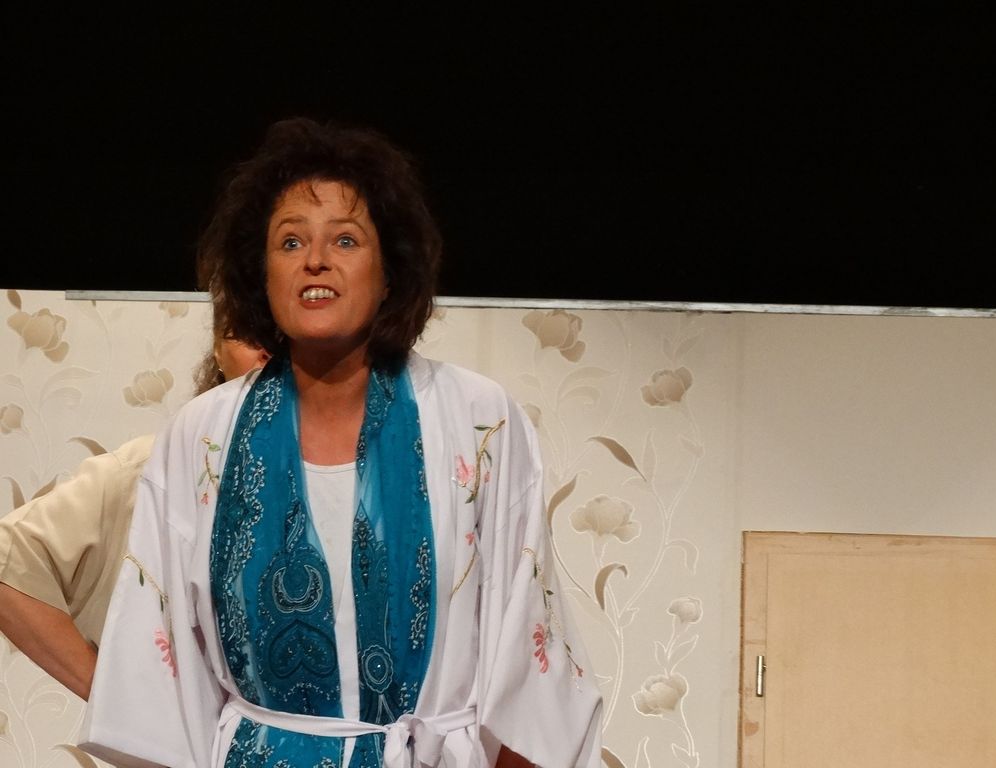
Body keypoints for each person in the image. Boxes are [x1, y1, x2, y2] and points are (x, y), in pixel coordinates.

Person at [79, 117, 602, 768]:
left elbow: (529, 667)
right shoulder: (202, 435)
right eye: (290, 240)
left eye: (346, 239)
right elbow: (156, 671)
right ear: (261, 273)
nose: (315, 260)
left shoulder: (478, 421)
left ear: (390, 273)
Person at [0, 333, 268, 700]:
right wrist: (114, 704)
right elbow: (10, 558)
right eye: (252, 334)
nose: (269, 352)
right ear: (218, 350)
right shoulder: (152, 472)